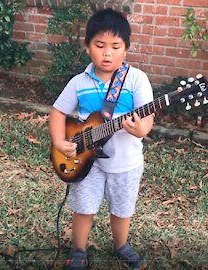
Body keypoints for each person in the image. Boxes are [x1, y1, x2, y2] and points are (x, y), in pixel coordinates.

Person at [48, 8, 153, 270]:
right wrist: (60, 142)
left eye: (116, 46)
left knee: (122, 208)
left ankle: (121, 246)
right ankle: (79, 250)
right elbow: (58, 112)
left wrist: (140, 130)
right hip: (87, 161)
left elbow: (147, 117)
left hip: (126, 162)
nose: (107, 53)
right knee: (83, 206)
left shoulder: (136, 80)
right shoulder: (78, 82)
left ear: (126, 48)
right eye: (100, 45)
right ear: (87, 47)